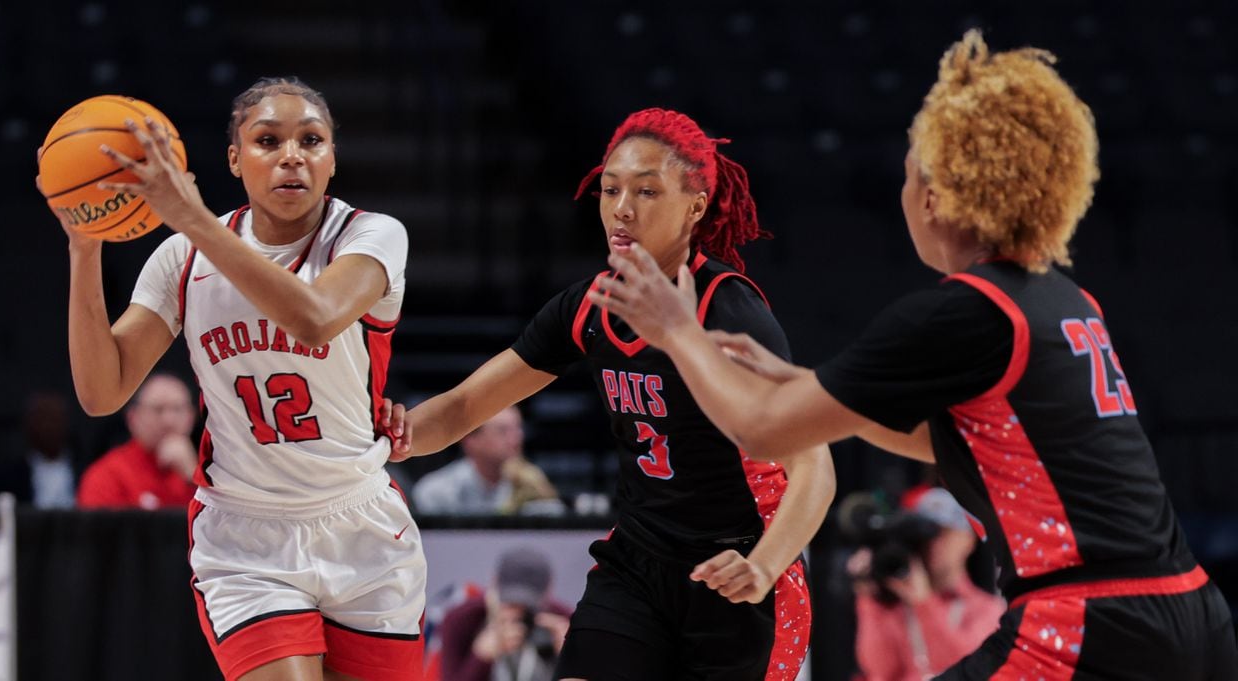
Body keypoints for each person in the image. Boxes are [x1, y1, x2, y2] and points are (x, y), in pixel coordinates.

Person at [590, 30, 1238, 680]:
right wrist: (810, 385)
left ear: (933, 198)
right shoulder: (1064, 299)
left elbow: (759, 430)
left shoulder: (964, 309)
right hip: (1194, 613)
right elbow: (943, 440)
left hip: (1089, 623)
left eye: (905, 176)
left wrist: (677, 332)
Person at [389, 108, 837, 680]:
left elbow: (815, 465)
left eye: (646, 191)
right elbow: (466, 405)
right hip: (638, 563)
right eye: (610, 189)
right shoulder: (589, 309)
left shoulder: (727, 311)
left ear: (695, 206)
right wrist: (393, 438)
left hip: (738, 568)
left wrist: (766, 563)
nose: (621, 208)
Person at [42, 77, 424, 681]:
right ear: (234, 160)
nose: (291, 155)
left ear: (331, 160)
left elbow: (315, 320)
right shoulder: (182, 259)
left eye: (312, 140)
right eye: (268, 140)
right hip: (245, 535)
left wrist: (192, 219)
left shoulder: (370, 236)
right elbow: (101, 391)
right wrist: (83, 252)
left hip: (361, 523)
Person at [848, 487, 1004, 681]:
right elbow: (880, 671)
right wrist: (870, 597)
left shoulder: (988, 610)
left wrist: (924, 603)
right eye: (927, 535)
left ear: (968, 539)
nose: (933, 544)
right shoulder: (896, 601)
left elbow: (962, 669)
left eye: (943, 533)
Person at [438, 547, 572, 681]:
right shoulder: (462, 619)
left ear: (548, 591)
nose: (517, 613)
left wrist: (571, 657)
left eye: (528, 606)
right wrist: (480, 658)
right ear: (493, 583)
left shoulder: (565, 622)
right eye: (510, 602)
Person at [410, 405, 563, 516]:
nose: (516, 439)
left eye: (518, 429)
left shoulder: (531, 480)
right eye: (503, 431)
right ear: (470, 440)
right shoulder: (436, 491)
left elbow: (553, 525)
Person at [76, 372, 198, 509]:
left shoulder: (211, 473)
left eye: (177, 409)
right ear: (132, 418)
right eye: (158, 410)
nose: (168, 421)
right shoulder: (108, 475)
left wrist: (193, 474)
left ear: (191, 417)